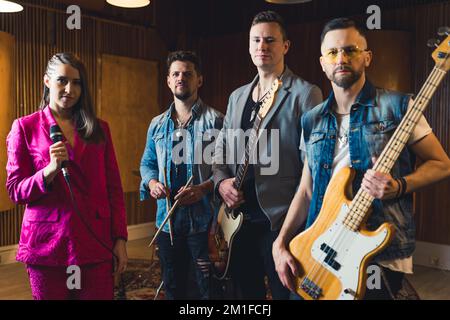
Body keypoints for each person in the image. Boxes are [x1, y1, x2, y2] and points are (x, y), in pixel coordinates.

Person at [273, 18, 450, 299]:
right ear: (322, 62)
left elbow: (442, 164)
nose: (341, 58)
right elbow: (306, 191)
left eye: (350, 50)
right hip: (317, 246)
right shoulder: (311, 119)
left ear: (367, 57)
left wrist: (399, 185)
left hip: (377, 254)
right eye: (332, 52)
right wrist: (280, 242)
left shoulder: (398, 106)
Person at [212, 11, 323, 300]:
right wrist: (221, 182)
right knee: (244, 295)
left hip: (282, 222)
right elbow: (220, 151)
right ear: (249, 47)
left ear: (285, 46)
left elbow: (311, 168)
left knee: (285, 293)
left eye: (270, 40)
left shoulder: (306, 94)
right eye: (256, 40)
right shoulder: (237, 97)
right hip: (238, 222)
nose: (262, 46)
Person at [6, 53, 128, 300]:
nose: (70, 89)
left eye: (77, 82)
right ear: (47, 81)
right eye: (62, 80)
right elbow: (15, 190)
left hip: (95, 241)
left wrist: (120, 238)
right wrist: (48, 171)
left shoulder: (99, 128)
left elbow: (114, 188)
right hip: (47, 246)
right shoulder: (25, 127)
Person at [140, 51, 223, 300]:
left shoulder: (216, 121)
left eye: (188, 74)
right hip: (167, 223)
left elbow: (223, 170)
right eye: (175, 74)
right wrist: (152, 182)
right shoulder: (156, 124)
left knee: (205, 289)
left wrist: (203, 188)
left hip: (202, 222)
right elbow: (147, 163)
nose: (181, 78)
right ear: (168, 80)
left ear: (199, 80)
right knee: (173, 288)